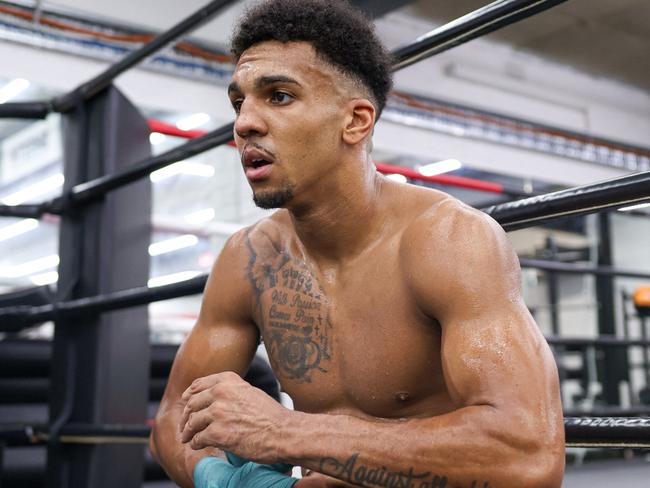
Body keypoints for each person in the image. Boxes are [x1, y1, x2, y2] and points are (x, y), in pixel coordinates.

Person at [150, 1, 565, 486]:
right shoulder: (249, 259)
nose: (245, 124)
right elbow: (170, 422)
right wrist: (225, 480)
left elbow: (528, 454)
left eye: (279, 96)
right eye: (239, 102)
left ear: (356, 122)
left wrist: (288, 433)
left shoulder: (448, 240)